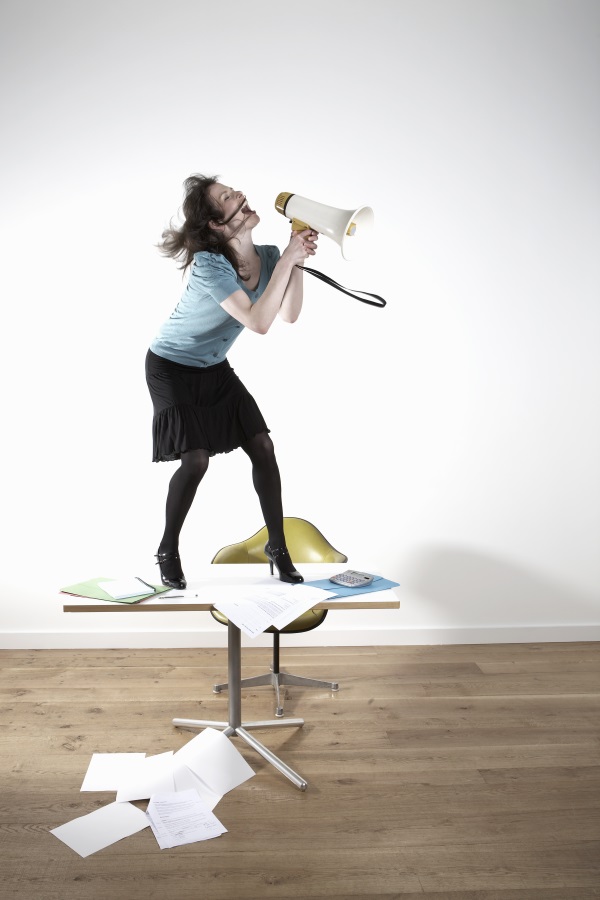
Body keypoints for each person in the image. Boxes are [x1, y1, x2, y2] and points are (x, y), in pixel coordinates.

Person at [145, 174, 318, 590]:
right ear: (216, 225)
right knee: (196, 459)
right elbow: (258, 323)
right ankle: (167, 549)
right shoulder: (209, 265)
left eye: (234, 190)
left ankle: (277, 547)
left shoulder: (270, 254)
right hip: (172, 367)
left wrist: (294, 259)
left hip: (213, 366)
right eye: (227, 197)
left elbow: (289, 315)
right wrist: (290, 259)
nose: (240, 195)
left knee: (262, 445)